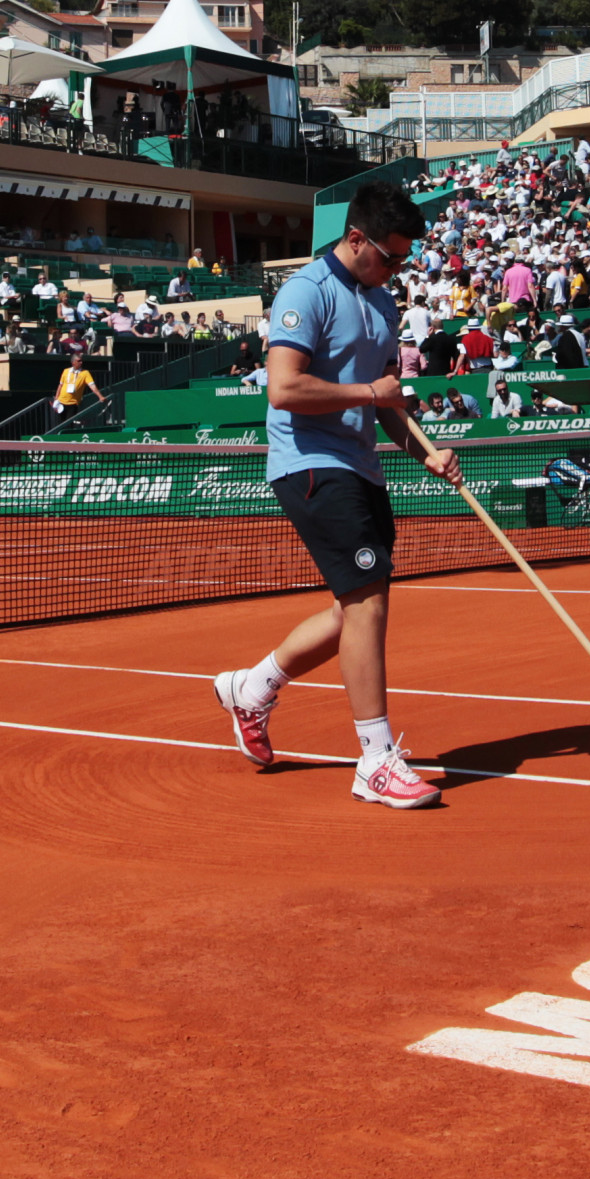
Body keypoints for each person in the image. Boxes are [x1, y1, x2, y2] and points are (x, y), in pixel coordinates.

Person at [211, 180, 461, 810]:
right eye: (390, 256)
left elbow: (388, 405)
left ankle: (252, 687)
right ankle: (374, 759)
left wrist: (426, 453)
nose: (396, 269)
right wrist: (371, 395)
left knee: (354, 608)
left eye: (404, 260)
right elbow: (284, 390)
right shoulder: (305, 292)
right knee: (368, 599)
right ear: (356, 239)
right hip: (310, 464)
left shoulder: (382, 303)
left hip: (363, 467)